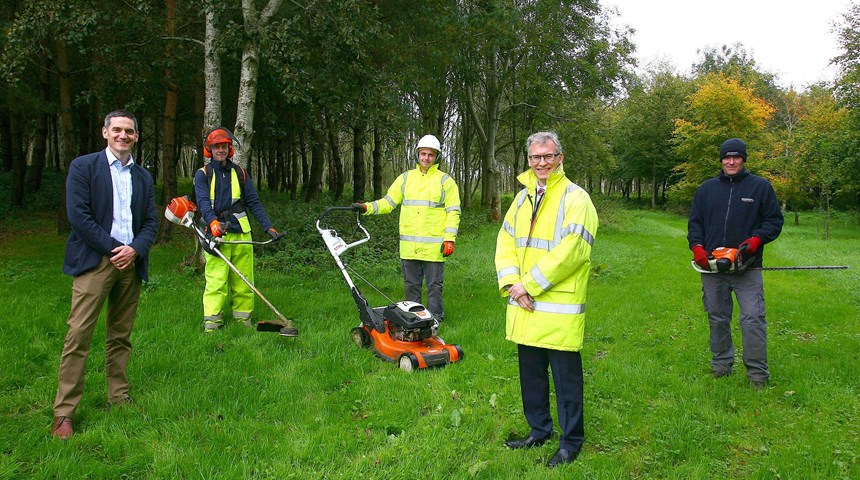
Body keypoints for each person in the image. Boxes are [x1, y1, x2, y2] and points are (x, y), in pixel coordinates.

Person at [52, 110, 159, 440]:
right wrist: (116, 248)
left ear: (136, 136)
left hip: (130, 265)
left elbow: (151, 223)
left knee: (120, 335)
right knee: (78, 336)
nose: (123, 135)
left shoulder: (142, 177)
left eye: (129, 130)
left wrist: (135, 250)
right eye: (117, 129)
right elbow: (79, 218)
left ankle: (118, 395)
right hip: (96, 262)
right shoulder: (84, 167)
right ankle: (64, 413)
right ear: (105, 132)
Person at [495, 131, 598, 467]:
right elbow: (505, 242)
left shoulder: (576, 198)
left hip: (557, 308)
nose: (542, 163)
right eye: (535, 157)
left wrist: (528, 286)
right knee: (532, 376)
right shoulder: (522, 198)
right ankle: (538, 430)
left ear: (560, 158)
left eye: (548, 156)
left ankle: (570, 443)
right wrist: (512, 283)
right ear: (528, 160)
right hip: (525, 304)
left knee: (566, 381)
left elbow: (573, 252)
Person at [688, 138, 783, 389]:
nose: (731, 161)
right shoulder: (706, 190)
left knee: (752, 318)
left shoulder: (760, 188)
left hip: (747, 267)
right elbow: (695, 223)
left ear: (743, 159)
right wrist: (697, 247)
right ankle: (721, 366)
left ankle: (757, 376)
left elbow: (774, 222)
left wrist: (756, 239)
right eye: (727, 157)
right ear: (721, 160)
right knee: (717, 318)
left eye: (737, 157)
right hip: (712, 267)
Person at [193, 127, 296, 335]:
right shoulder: (203, 174)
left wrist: (269, 227)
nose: (221, 150)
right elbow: (203, 202)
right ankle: (212, 323)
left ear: (229, 149)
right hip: (216, 234)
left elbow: (254, 203)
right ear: (209, 150)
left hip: (242, 232)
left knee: (244, 278)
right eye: (216, 147)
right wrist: (212, 222)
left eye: (224, 146)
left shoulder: (240, 173)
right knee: (216, 279)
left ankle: (243, 319)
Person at [351, 134, 461, 321]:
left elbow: (454, 212)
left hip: (434, 248)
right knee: (411, 285)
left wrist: (449, 239)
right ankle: (413, 318)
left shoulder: (445, 182)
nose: (426, 158)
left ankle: (435, 319)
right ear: (417, 154)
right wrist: (367, 207)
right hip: (409, 247)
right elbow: (388, 202)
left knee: (434, 285)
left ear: (437, 157)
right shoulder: (405, 179)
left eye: (430, 155)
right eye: (423, 154)